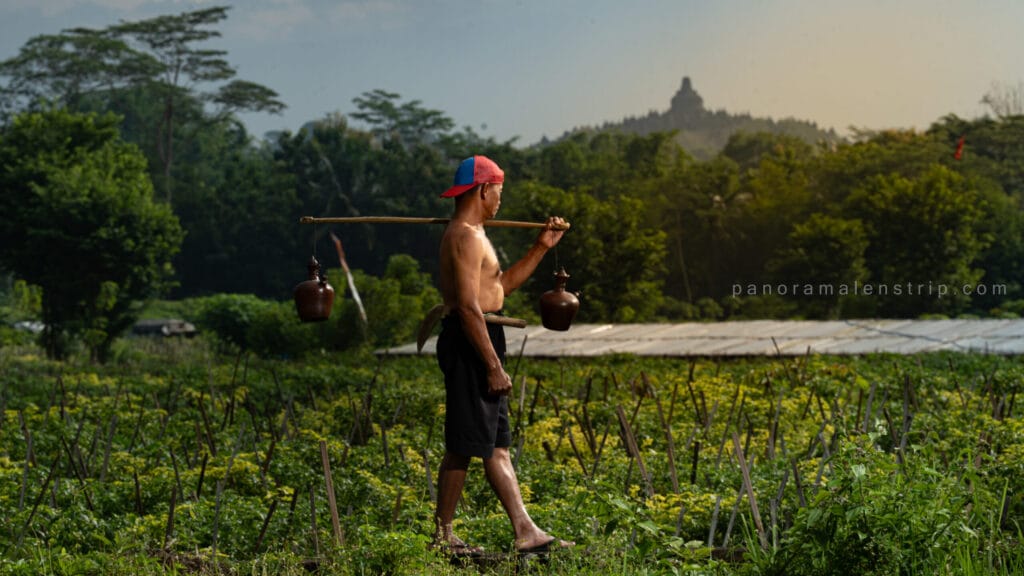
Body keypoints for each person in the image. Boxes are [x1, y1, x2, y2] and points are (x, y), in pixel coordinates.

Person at [433, 155, 574, 556]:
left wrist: (541, 248)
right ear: (483, 190)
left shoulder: (476, 233)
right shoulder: (464, 235)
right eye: (499, 192)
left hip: (484, 332)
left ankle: (525, 530)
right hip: (471, 339)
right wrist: (492, 365)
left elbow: (497, 291)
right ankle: (443, 536)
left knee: (495, 443)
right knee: (464, 441)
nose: (500, 201)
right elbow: (465, 306)